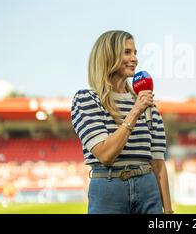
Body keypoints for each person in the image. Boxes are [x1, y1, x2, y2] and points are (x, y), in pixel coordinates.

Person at [71, 30, 173, 214]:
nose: (134, 58)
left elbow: (158, 165)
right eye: (127, 52)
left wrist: (168, 212)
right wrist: (135, 112)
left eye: (135, 53)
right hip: (108, 188)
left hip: (148, 189)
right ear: (108, 55)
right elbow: (105, 154)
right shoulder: (86, 99)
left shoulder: (148, 105)